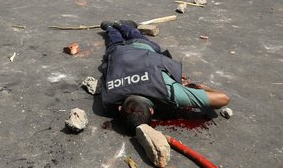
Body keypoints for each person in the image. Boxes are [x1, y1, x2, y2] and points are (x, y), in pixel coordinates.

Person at [99, 20, 231, 134]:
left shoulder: (168, 92)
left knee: (135, 37)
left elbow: (223, 99)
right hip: (120, 52)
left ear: (151, 110)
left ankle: (120, 26)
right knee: (121, 40)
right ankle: (114, 27)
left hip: (137, 49)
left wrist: (200, 88)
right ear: (120, 108)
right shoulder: (110, 97)